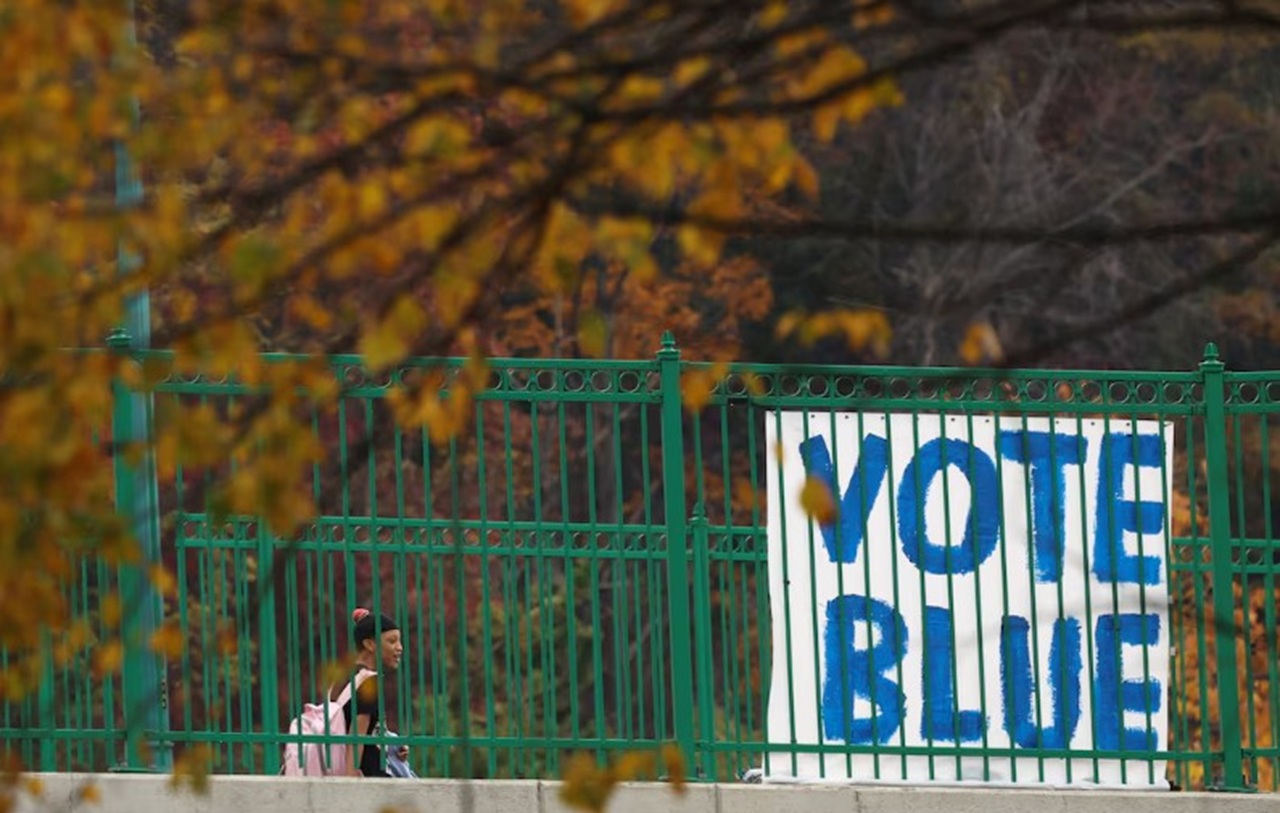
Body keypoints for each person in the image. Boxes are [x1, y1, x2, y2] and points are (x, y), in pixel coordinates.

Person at [333, 606, 405, 777]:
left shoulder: (344, 676)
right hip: (369, 775)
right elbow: (357, 734)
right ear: (370, 644)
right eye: (392, 641)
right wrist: (351, 777)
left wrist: (393, 745)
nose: (399, 647)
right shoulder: (370, 683)